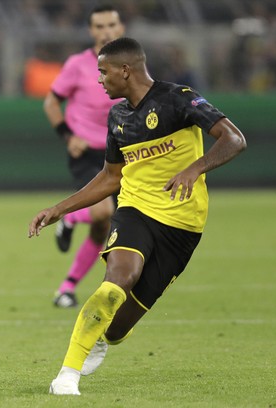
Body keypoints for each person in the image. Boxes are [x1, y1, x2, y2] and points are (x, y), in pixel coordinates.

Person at [29, 37, 246, 395]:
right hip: (135, 210)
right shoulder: (118, 117)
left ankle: (100, 338)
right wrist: (58, 209)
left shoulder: (179, 98)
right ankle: (67, 376)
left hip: (183, 226)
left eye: (104, 72)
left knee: (115, 330)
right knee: (119, 278)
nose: (99, 80)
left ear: (125, 70)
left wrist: (195, 169)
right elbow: (110, 177)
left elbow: (234, 139)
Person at [43, 5, 125, 308]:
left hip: (121, 154)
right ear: (91, 31)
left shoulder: (130, 65)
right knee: (102, 212)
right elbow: (51, 102)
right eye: (100, 26)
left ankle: (66, 288)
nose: (106, 31)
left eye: (111, 25)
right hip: (88, 154)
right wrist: (67, 136)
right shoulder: (78, 64)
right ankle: (67, 216)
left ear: (121, 27)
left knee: (104, 228)